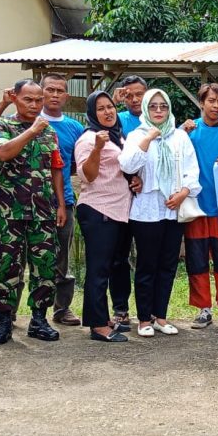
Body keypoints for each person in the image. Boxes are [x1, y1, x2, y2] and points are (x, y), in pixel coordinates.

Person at [0, 79, 68, 345]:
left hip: (43, 211)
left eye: (38, 100)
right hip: (10, 212)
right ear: (15, 99)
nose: (34, 105)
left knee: (45, 266)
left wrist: (61, 204)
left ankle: (39, 319)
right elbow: (3, 153)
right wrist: (32, 131)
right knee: (7, 266)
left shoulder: (49, 132)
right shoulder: (4, 126)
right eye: (28, 100)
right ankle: (4, 321)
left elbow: (56, 168)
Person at [119, 88, 201, 338]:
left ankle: (161, 316)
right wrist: (149, 138)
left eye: (163, 106)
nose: (158, 111)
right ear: (145, 108)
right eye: (153, 106)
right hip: (146, 210)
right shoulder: (136, 135)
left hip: (173, 209)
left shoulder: (179, 137)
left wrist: (184, 192)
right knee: (147, 265)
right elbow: (128, 164)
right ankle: (144, 318)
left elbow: (191, 169)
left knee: (167, 264)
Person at [74, 91, 133, 343]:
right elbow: (87, 175)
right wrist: (97, 149)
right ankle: (98, 325)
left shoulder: (118, 136)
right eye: (100, 108)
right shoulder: (88, 139)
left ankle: (103, 316)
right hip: (99, 210)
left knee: (109, 267)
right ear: (91, 114)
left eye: (110, 107)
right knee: (98, 269)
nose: (108, 112)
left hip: (118, 211)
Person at [180, 83, 218, 328]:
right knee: (197, 259)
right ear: (201, 102)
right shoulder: (188, 131)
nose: (215, 106)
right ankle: (203, 308)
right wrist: (179, 129)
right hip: (196, 206)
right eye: (211, 100)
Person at [40, 73, 85, 327]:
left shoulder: (74, 128)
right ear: (41, 92)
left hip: (63, 201)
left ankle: (62, 308)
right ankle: (11, 310)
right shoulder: (28, 122)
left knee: (61, 257)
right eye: (50, 90)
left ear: (66, 96)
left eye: (60, 91)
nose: (55, 95)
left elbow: (82, 163)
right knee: (24, 256)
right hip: (29, 200)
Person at [109, 74, 149, 326]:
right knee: (119, 256)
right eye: (129, 95)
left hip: (150, 200)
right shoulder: (117, 120)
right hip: (122, 197)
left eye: (139, 94)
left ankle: (150, 310)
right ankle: (120, 308)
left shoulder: (157, 118)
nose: (134, 99)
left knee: (147, 258)